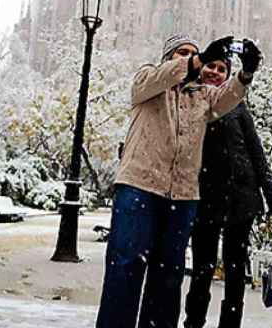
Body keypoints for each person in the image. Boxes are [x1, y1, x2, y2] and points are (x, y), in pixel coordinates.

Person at [95, 33, 263, 328]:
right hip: (140, 188)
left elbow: (227, 97)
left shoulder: (201, 96)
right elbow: (148, 83)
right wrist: (197, 58)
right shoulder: (149, 80)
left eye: (193, 53)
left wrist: (246, 73)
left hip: (182, 197)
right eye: (181, 52)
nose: (189, 57)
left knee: (168, 277)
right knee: (126, 267)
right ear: (169, 56)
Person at [183, 54, 272, 328]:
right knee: (202, 267)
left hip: (241, 197)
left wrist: (270, 192)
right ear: (200, 69)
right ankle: (193, 321)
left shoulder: (237, 106)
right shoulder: (190, 101)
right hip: (204, 196)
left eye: (222, 69)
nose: (215, 72)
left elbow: (255, 151)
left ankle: (230, 324)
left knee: (236, 267)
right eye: (211, 67)